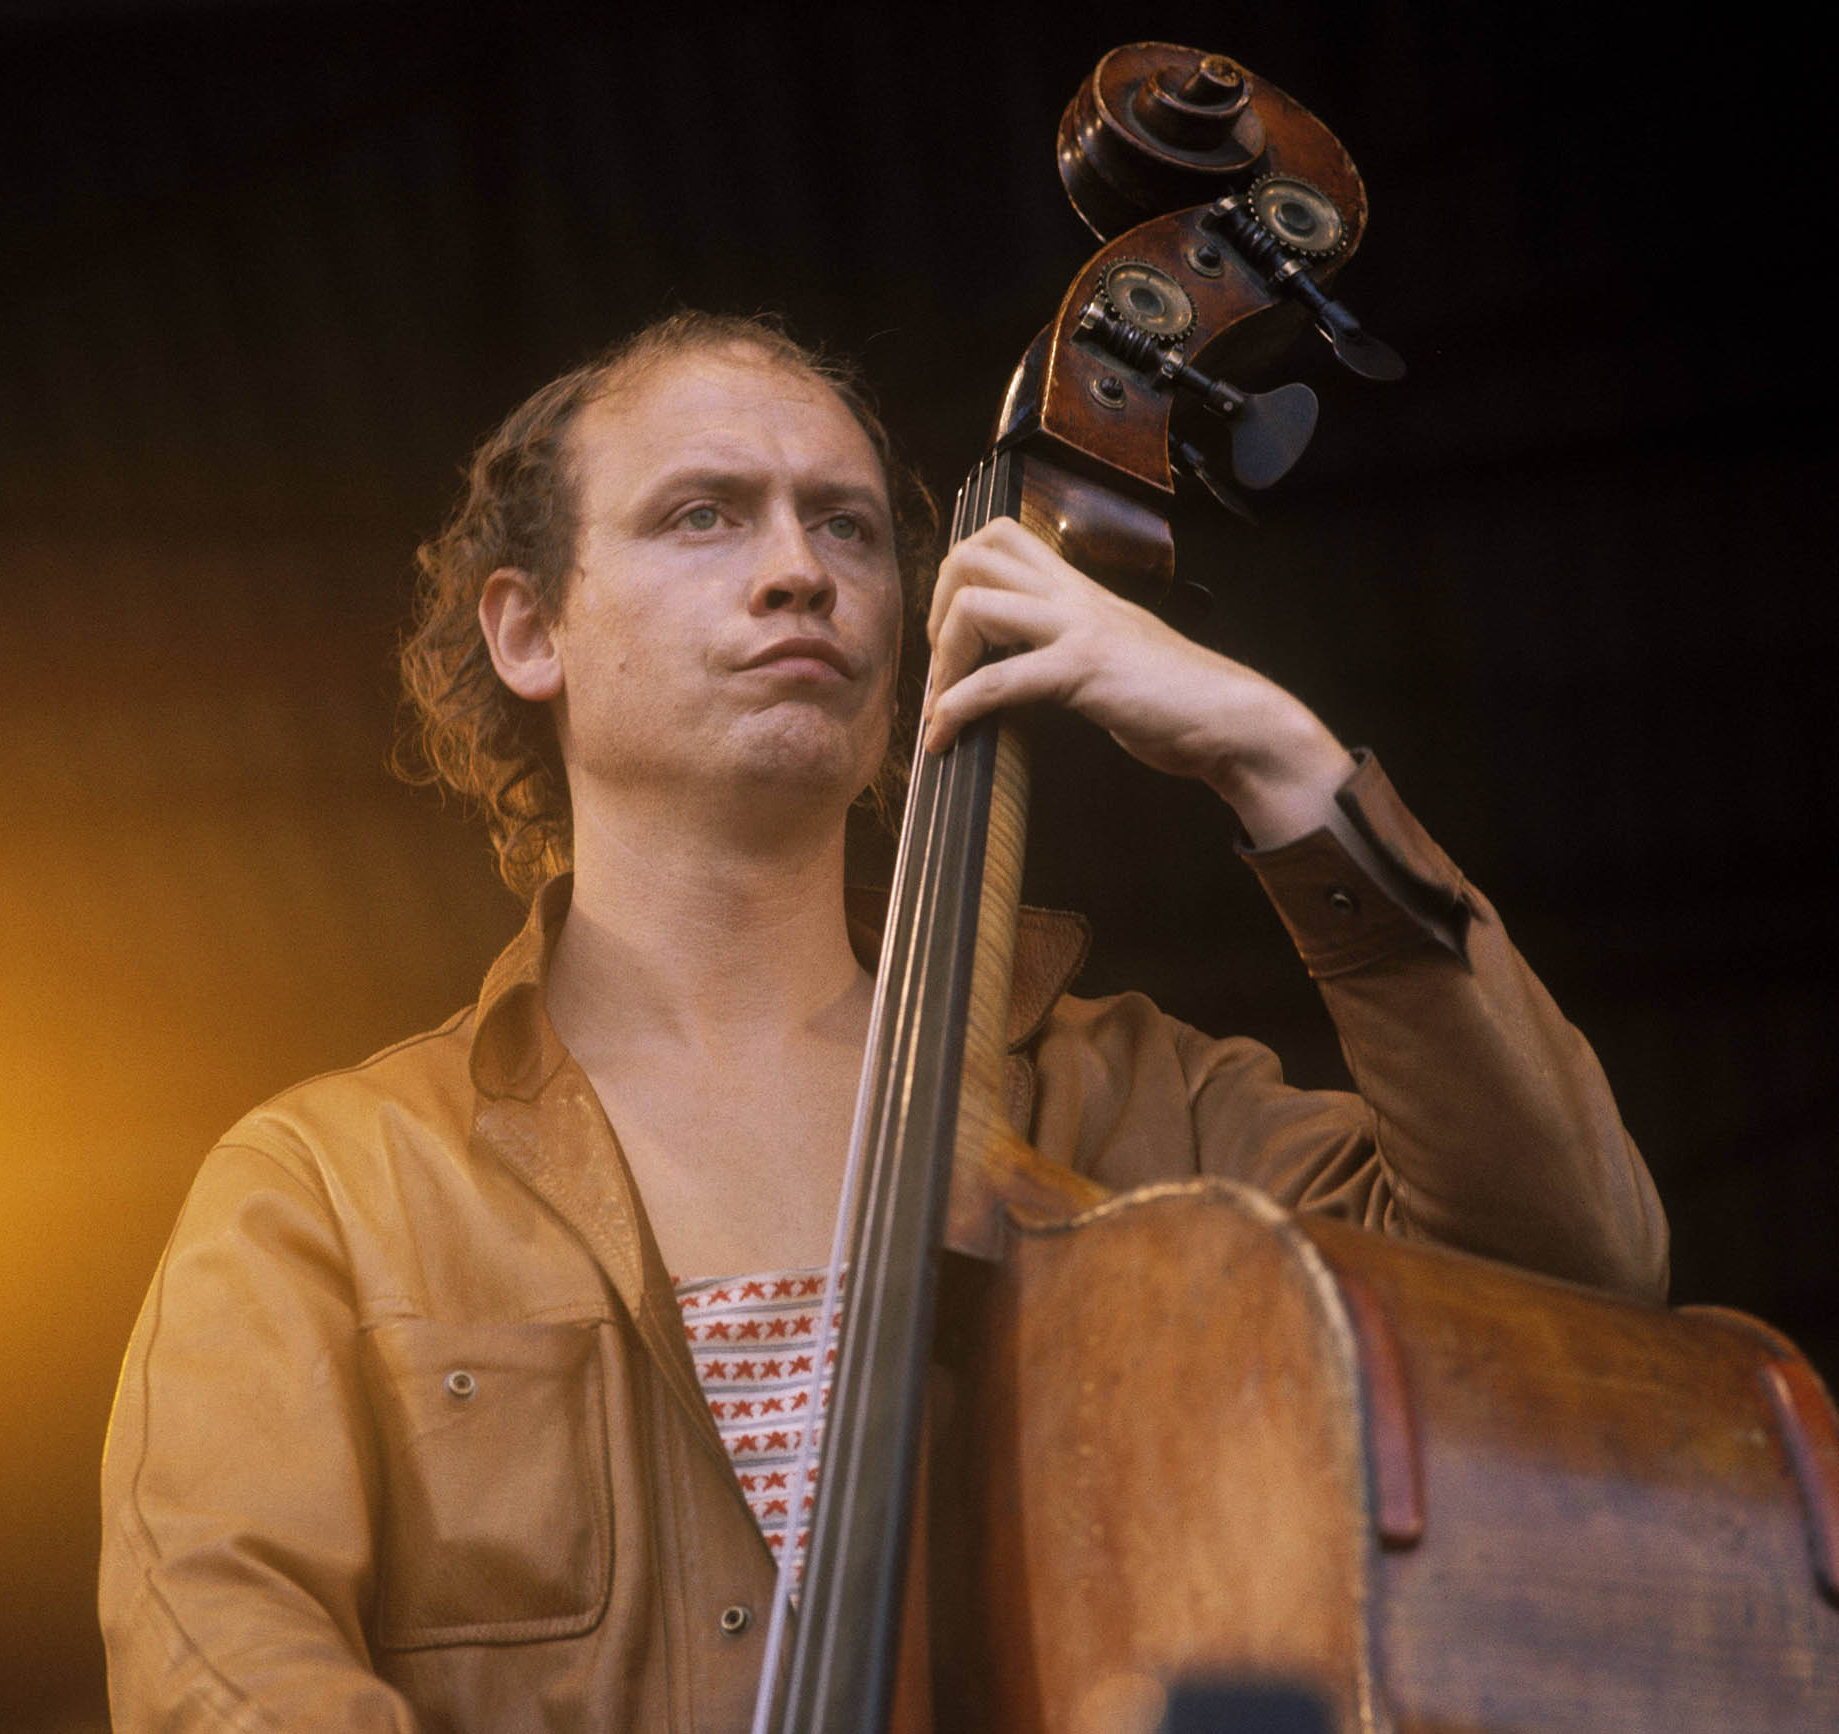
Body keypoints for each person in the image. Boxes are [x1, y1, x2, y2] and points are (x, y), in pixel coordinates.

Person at [98, 312, 1667, 1731]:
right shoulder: (324, 1187)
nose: (801, 568)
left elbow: (1569, 1271)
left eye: (844, 524)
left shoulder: (1137, 1107)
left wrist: (1284, 769)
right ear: (530, 632)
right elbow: (222, 1666)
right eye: (703, 514)